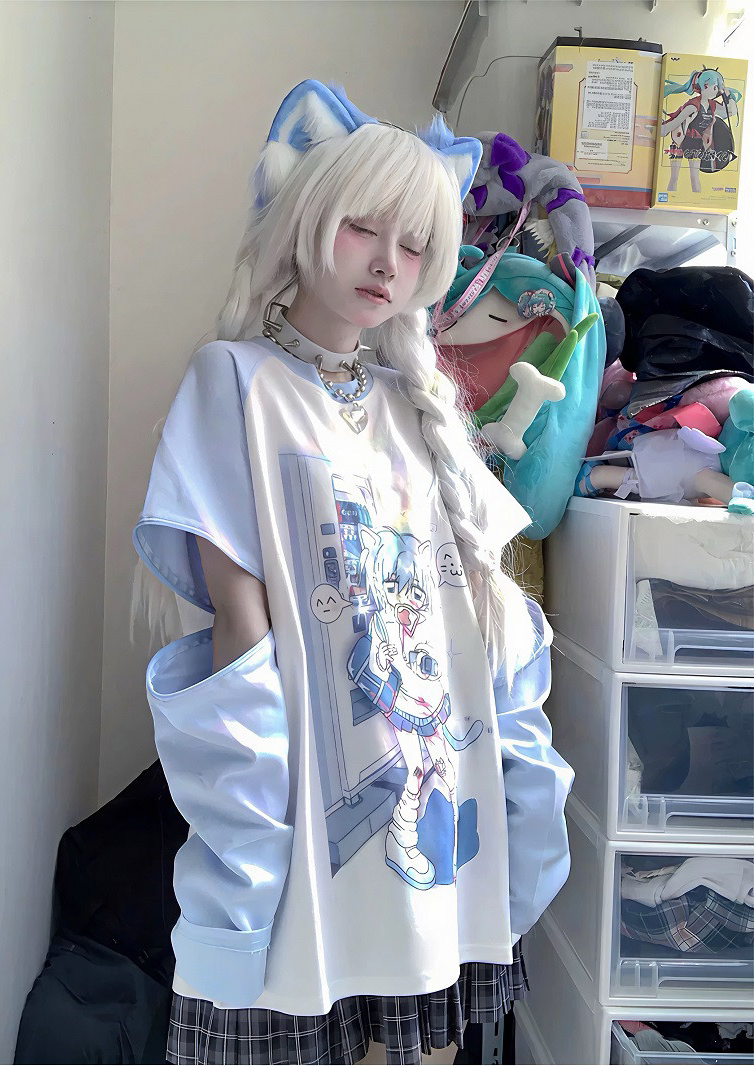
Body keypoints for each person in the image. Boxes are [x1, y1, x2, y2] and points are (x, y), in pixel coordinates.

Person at [131, 79, 574, 1066]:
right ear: (304, 220)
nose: (386, 263)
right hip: (308, 823)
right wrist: (252, 842)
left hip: (432, 819)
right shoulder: (232, 381)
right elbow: (241, 632)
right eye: (362, 228)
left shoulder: (413, 407)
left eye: (413, 244)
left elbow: (485, 623)